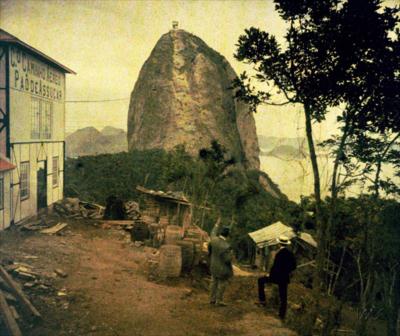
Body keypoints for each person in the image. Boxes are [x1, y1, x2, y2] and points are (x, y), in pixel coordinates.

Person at [256, 235, 296, 319]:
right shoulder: (290, 254)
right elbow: (294, 266)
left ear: (279, 244)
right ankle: (282, 315)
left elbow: (276, 267)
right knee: (283, 296)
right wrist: (287, 272)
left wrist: (270, 275)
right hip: (285, 278)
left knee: (260, 280)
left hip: (276, 277)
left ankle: (262, 301)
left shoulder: (279, 254)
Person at [208, 226, 233, 306]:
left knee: (213, 282)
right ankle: (218, 301)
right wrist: (231, 255)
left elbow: (209, 249)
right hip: (222, 268)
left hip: (213, 265)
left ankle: (212, 299)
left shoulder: (213, 240)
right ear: (227, 235)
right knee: (221, 284)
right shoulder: (226, 246)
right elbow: (227, 260)